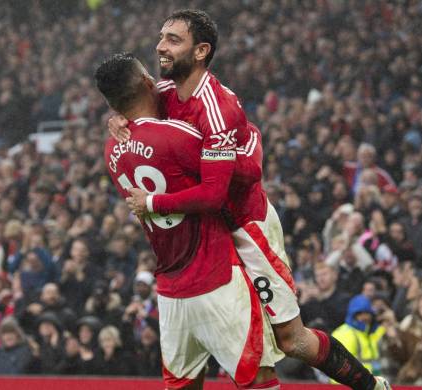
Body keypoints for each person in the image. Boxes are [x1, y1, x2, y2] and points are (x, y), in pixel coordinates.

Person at [109, 9, 388, 390]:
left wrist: (155, 201)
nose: (161, 46)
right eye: (162, 36)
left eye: (173, 40)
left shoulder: (217, 107)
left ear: (202, 50)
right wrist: (117, 119)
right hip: (208, 232)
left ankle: (372, 387)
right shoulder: (163, 92)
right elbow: (130, 98)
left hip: (246, 226)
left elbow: (224, 187)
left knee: (292, 340)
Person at [96, 52, 281, 389]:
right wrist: (249, 132)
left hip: (169, 289)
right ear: (146, 82)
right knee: (258, 380)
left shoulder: (111, 149)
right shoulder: (177, 136)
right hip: (214, 275)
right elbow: (247, 171)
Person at [332, 295, 386, 377]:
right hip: (353, 383)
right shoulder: (345, 333)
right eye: (360, 313)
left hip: (374, 381)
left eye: (367, 313)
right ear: (352, 315)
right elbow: (340, 367)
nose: (364, 317)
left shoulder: (372, 332)